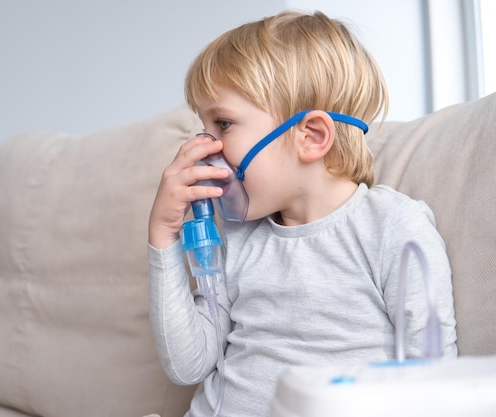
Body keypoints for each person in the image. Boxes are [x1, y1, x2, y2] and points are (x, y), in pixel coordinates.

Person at [148, 10, 457, 417]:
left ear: (310, 136)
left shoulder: (393, 229)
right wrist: (164, 235)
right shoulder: (237, 237)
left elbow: (433, 382)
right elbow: (188, 365)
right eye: (204, 128)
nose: (205, 147)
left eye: (222, 125)